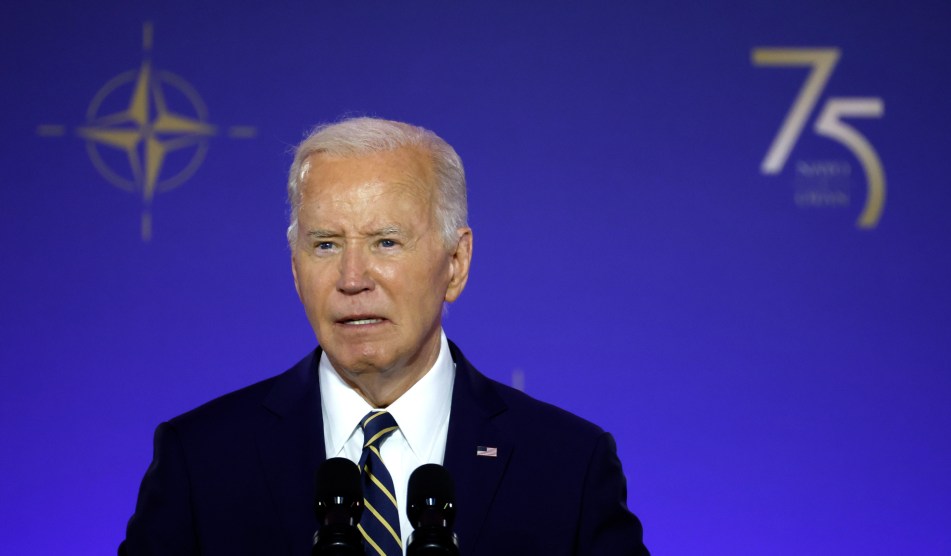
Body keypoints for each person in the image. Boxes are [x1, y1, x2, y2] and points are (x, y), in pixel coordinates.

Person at [120, 117, 649, 555]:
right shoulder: (203, 460)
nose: (352, 279)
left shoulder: (567, 466)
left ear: (456, 263)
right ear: (294, 266)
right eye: (325, 245)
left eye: (386, 242)